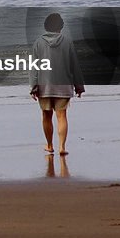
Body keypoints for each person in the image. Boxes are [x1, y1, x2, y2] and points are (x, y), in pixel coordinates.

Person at [29, 12, 85, 156]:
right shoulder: (67, 42)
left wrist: (33, 87)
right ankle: (62, 147)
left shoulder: (38, 43)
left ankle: (49, 145)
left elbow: (35, 68)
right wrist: (79, 86)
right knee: (62, 116)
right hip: (64, 85)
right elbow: (75, 66)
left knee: (46, 116)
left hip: (44, 86)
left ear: (46, 26)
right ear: (61, 27)